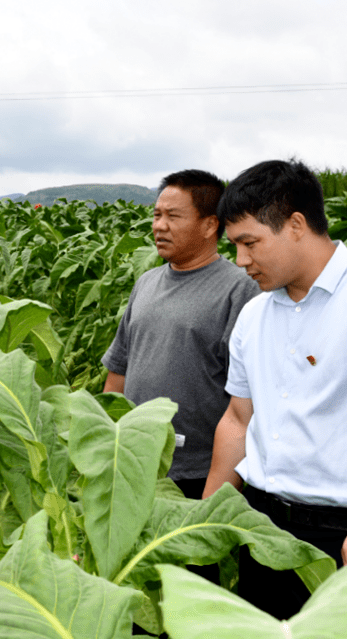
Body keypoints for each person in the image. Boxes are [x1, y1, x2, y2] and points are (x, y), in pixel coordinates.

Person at [203, 159, 347, 619]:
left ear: (295, 225)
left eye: (250, 243)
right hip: (265, 528)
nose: (241, 260)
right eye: (235, 246)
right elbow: (238, 419)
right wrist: (206, 517)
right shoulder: (254, 315)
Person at [101, 169, 260, 499]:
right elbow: (119, 370)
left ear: (209, 225)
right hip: (133, 461)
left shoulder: (240, 291)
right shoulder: (146, 283)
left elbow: (249, 399)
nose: (159, 226)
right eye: (157, 215)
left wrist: (216, 495)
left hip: (199, 472)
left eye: (173, 216)